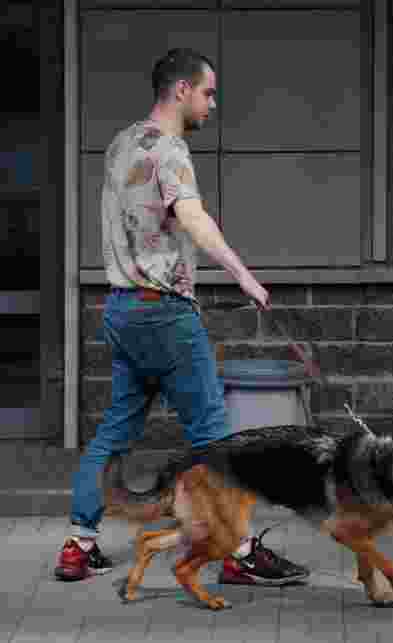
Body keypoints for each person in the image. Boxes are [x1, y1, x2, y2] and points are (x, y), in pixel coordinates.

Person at [55, 48, 310, 586]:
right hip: (166, 315)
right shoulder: (169, 150)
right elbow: (191, 216)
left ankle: (78, 545)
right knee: (215, 437)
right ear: (181, 90)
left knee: (114, 432)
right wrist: (243, 275)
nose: (212, 104)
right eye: (208, 93)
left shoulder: (121, 143)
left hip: (123, 309)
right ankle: (240, 554)